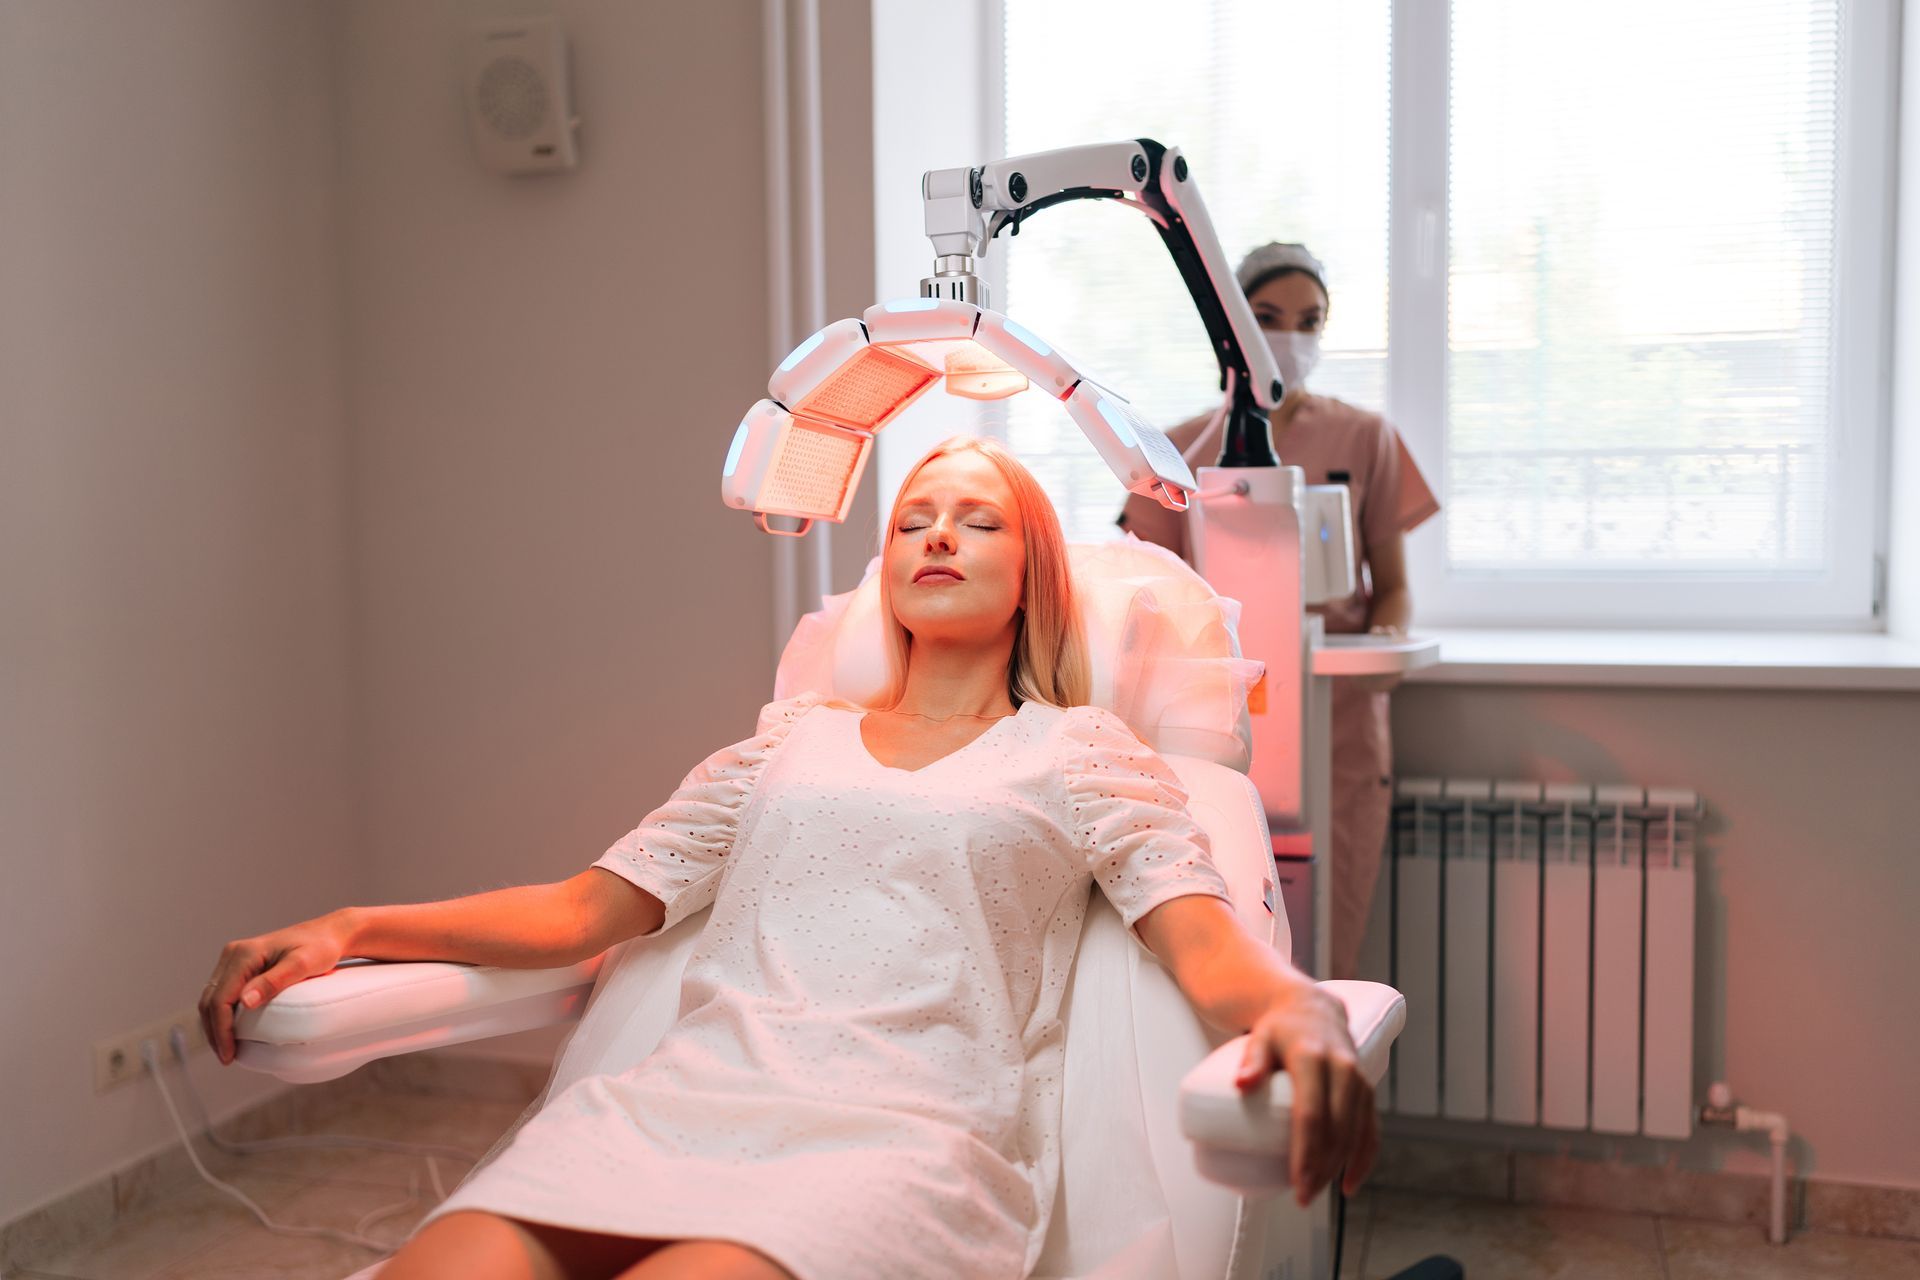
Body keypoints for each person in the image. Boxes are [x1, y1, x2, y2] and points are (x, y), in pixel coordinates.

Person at [200, 436, 1379, 1280]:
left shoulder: (1082, 752)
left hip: (903, 1138)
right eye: (915, 517)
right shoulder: (783, 744)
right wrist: (351, 923)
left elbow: (1204, 937)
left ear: (1033, 574)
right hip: (675, 1104)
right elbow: (575, 909)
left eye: (978, 519)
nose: (937, 535)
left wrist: (1298, 1009)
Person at [1118, 243, 1440, 983]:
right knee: (1220, 931)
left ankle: (1318, 1076)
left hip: (1339, 720)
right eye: (1267, 318)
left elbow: (1390, 585)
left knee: (1330, 934)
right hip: (1214, 718)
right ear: (1230, 327)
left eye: (1310, 321)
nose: (1290, 338)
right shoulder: (1185, 449)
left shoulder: (1365, 437)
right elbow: (1143, 588)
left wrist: (1383, 645)